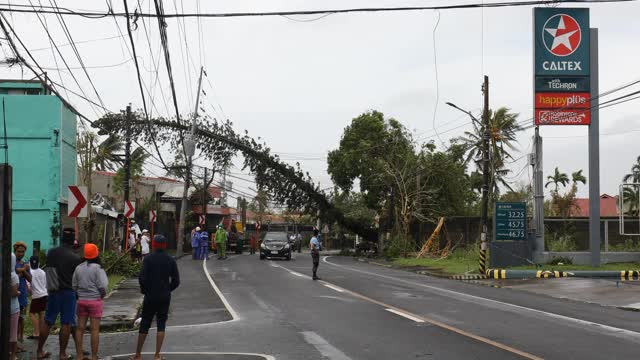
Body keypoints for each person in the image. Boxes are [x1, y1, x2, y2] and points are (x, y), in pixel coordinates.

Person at [130, 234, 180, 360]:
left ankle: (138, 355)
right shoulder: (170, 260)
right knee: (161, 323)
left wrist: (144, 290)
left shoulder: (148, 259)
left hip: (150, 295)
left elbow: (142, 278)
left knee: (145, 322)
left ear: (154, 245)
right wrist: (168, 289)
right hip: (164, 296)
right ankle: (157, 355)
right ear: (165, 246)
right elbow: (176, 280)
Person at [37, 227, 83, 360]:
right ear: (73, 241)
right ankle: (62, 354)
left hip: (53, 291)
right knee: (66, 323)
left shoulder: (51, 253)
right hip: (68, 293)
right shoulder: (75, 258)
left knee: (48, 321)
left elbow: (49, 270)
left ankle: (39, 351)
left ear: (62, 238)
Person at [73, 243, 108, 360]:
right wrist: (102, 295)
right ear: (96, 254)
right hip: (95, 301)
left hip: (81, 301)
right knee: (95, 330)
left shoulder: (78, 268)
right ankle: (93, 356)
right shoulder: (98, 269)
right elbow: (103, 286)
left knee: (79, 328)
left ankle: (79, 355)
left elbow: (74, 286)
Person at [14, 241, 31, 345]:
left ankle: (20, 338)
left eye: (23, 252)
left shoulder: (24, 264)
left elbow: (30, 279)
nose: (21, 254)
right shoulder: (11, 263)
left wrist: (23, 270)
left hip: (23, 295)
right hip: (14, 295)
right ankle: (14, 340)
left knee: (22, 318)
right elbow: (14, 279)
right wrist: (23, 270)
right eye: (19, 251)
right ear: (14, 251)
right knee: (14, 319)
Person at [28, 256, 48, 340]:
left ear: (30, 263)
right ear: (39, 263)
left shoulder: (29, 272)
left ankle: (36, 333)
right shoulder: (43, 272)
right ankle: (41, 333)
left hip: (36, 296)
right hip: (44, 294)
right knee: (41, 314)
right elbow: (45, 284)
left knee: (31, 313)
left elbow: (29, 287)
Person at [9, 253, 21, 360]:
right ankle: (13, 355)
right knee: (13, 333)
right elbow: (13, 293)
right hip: (13, 308)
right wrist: (18, 292)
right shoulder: (13, 275)